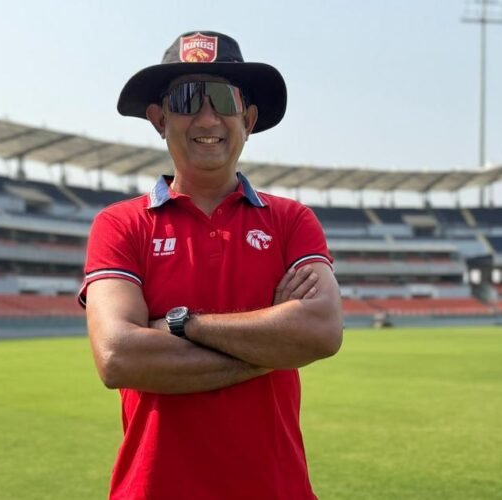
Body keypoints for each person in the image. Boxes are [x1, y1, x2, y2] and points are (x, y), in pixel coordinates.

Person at [78, 31, 343, 499]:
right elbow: (119, 357)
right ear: (159, 120)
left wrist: (183, 325)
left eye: (223, 99)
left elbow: (320, 332)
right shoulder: (120, 225)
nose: (206, 117)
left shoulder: (291, 220)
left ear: (248, 119)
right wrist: (273, 347)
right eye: (187, 99)